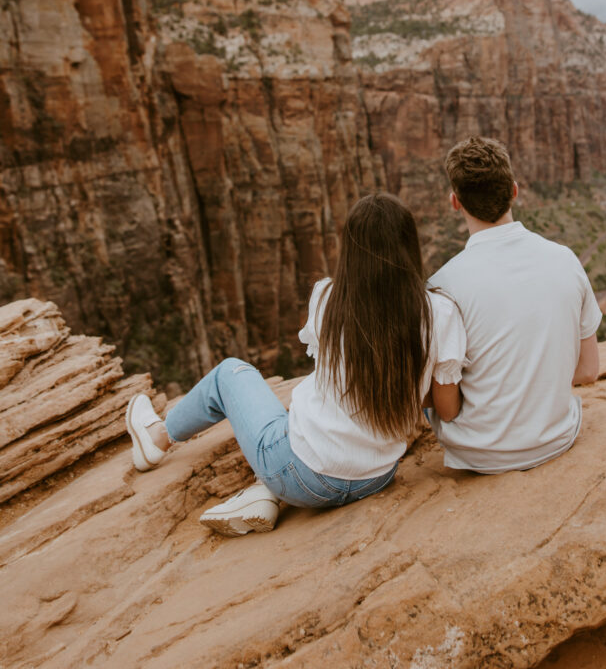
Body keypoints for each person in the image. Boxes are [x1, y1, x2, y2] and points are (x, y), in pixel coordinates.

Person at [126, 192, 466, 536]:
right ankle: (264, 492)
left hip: (302, 475)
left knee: (229, 372)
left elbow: (330, 377)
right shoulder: (439, 312)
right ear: (410, 245)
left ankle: (158, 438)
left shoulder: (327, 297)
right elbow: (446, 410)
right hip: (377, 476)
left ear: (350, 250)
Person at [427, 136, 601, 474]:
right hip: (558, 438)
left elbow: (446, 410)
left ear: (455, 201)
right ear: (514, 191)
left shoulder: (441, 286)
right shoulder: (565, 259)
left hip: (479, 455)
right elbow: (588, 371)